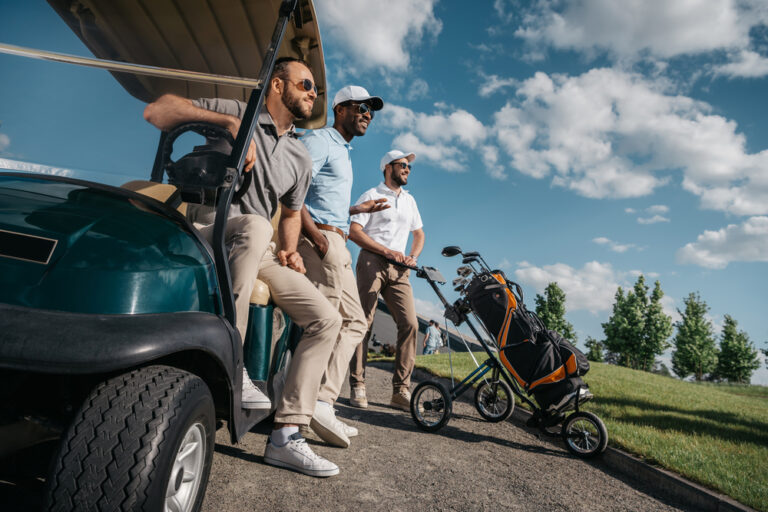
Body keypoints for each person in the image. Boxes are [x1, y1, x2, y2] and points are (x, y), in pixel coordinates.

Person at [144, 57, 342, 477]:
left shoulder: (300, 157)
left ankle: (287, 435)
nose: (313, 93)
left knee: (326, 317)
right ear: (276, 84)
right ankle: (233, 364)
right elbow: (157, 111)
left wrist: (290, 250)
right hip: (205, 224)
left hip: (259, 247)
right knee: (252, 225)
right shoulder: (237, 111)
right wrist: (228, 125)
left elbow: (290, 214)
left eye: (315, 90)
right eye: (306, 84)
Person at [297, 86, 387, 447]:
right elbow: (291, 189)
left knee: (355, 322)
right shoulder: (319, 140)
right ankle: (303, 410)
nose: (368, 114)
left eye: (371, 110)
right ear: (341, 108)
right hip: (323, 241)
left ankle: (323, 401)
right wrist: (317, 239)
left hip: (336, 239)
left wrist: (355, 211)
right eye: (362, 107)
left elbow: (325, 199)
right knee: (330, 324)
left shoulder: (343, 151)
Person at [348, 150, 425, 411]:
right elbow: (354, 232)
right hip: (372, 261)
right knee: (364, 321)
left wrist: (412, 256)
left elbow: (419, 234)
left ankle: (400, 390)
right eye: (402, 165)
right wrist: (385, 251)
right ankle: (357, 383)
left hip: (400, 269)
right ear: (387, 167)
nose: (407, 169)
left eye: (409, 167)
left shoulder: (410, 201)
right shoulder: (371, 195)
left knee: (410, 324)